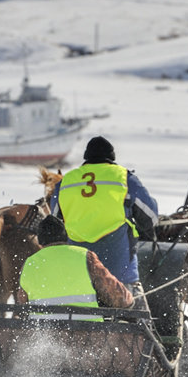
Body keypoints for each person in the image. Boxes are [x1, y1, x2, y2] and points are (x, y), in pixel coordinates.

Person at [49, 136, 159, 305]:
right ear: (112, 158)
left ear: (86, 158)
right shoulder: (124, 178)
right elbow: (150, 216)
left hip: (77, 272)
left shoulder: (65, 182)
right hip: (121, 271)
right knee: (140, 320)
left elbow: (55, 222)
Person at [18, 215, 133, 320]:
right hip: (89, 335)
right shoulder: (85, 256)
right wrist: (128, 300)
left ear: (40, 242)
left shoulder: (29, 263)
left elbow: (22, 304)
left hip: (43, 336)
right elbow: (117, 295)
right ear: (65, 236)